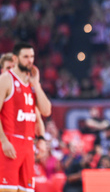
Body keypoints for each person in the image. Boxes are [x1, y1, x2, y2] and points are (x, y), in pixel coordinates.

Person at [0, 42, 52, 192]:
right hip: (10, 141)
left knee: (27, 190)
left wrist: (37, 84)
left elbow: (45, 111)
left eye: (32, 57)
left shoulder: (31, 83)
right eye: (26, 57)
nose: (30, 60)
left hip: (28, 145)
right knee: (7, 190)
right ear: (16, 59)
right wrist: (3, 141)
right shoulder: (6, 79)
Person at [0, 52, 47, 159]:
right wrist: (4, 141)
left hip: (21, 147)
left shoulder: (27, 90)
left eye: (14, 68)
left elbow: (38, 118)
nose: (12, 72)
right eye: (8, 68)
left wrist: (41, 139)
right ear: (2, 71)